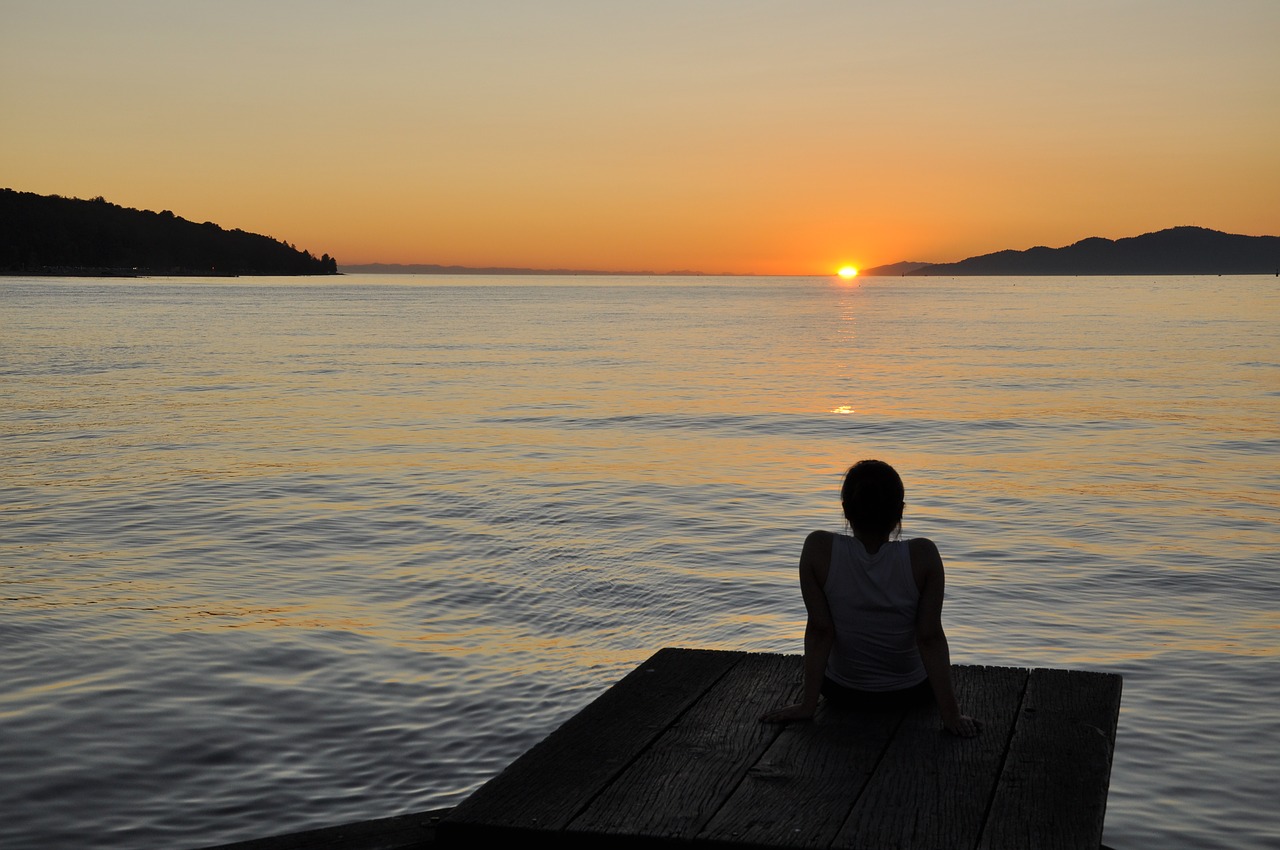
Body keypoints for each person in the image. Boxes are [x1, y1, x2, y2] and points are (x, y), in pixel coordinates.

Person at [760, 460, 980, 736]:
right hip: (909, 692)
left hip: (843, 692)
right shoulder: (923, 556)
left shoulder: (818, 549)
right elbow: (930, 637)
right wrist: (951, 715)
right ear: (899, 511)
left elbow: (820, 631)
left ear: (845, 509)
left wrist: (807, 704)